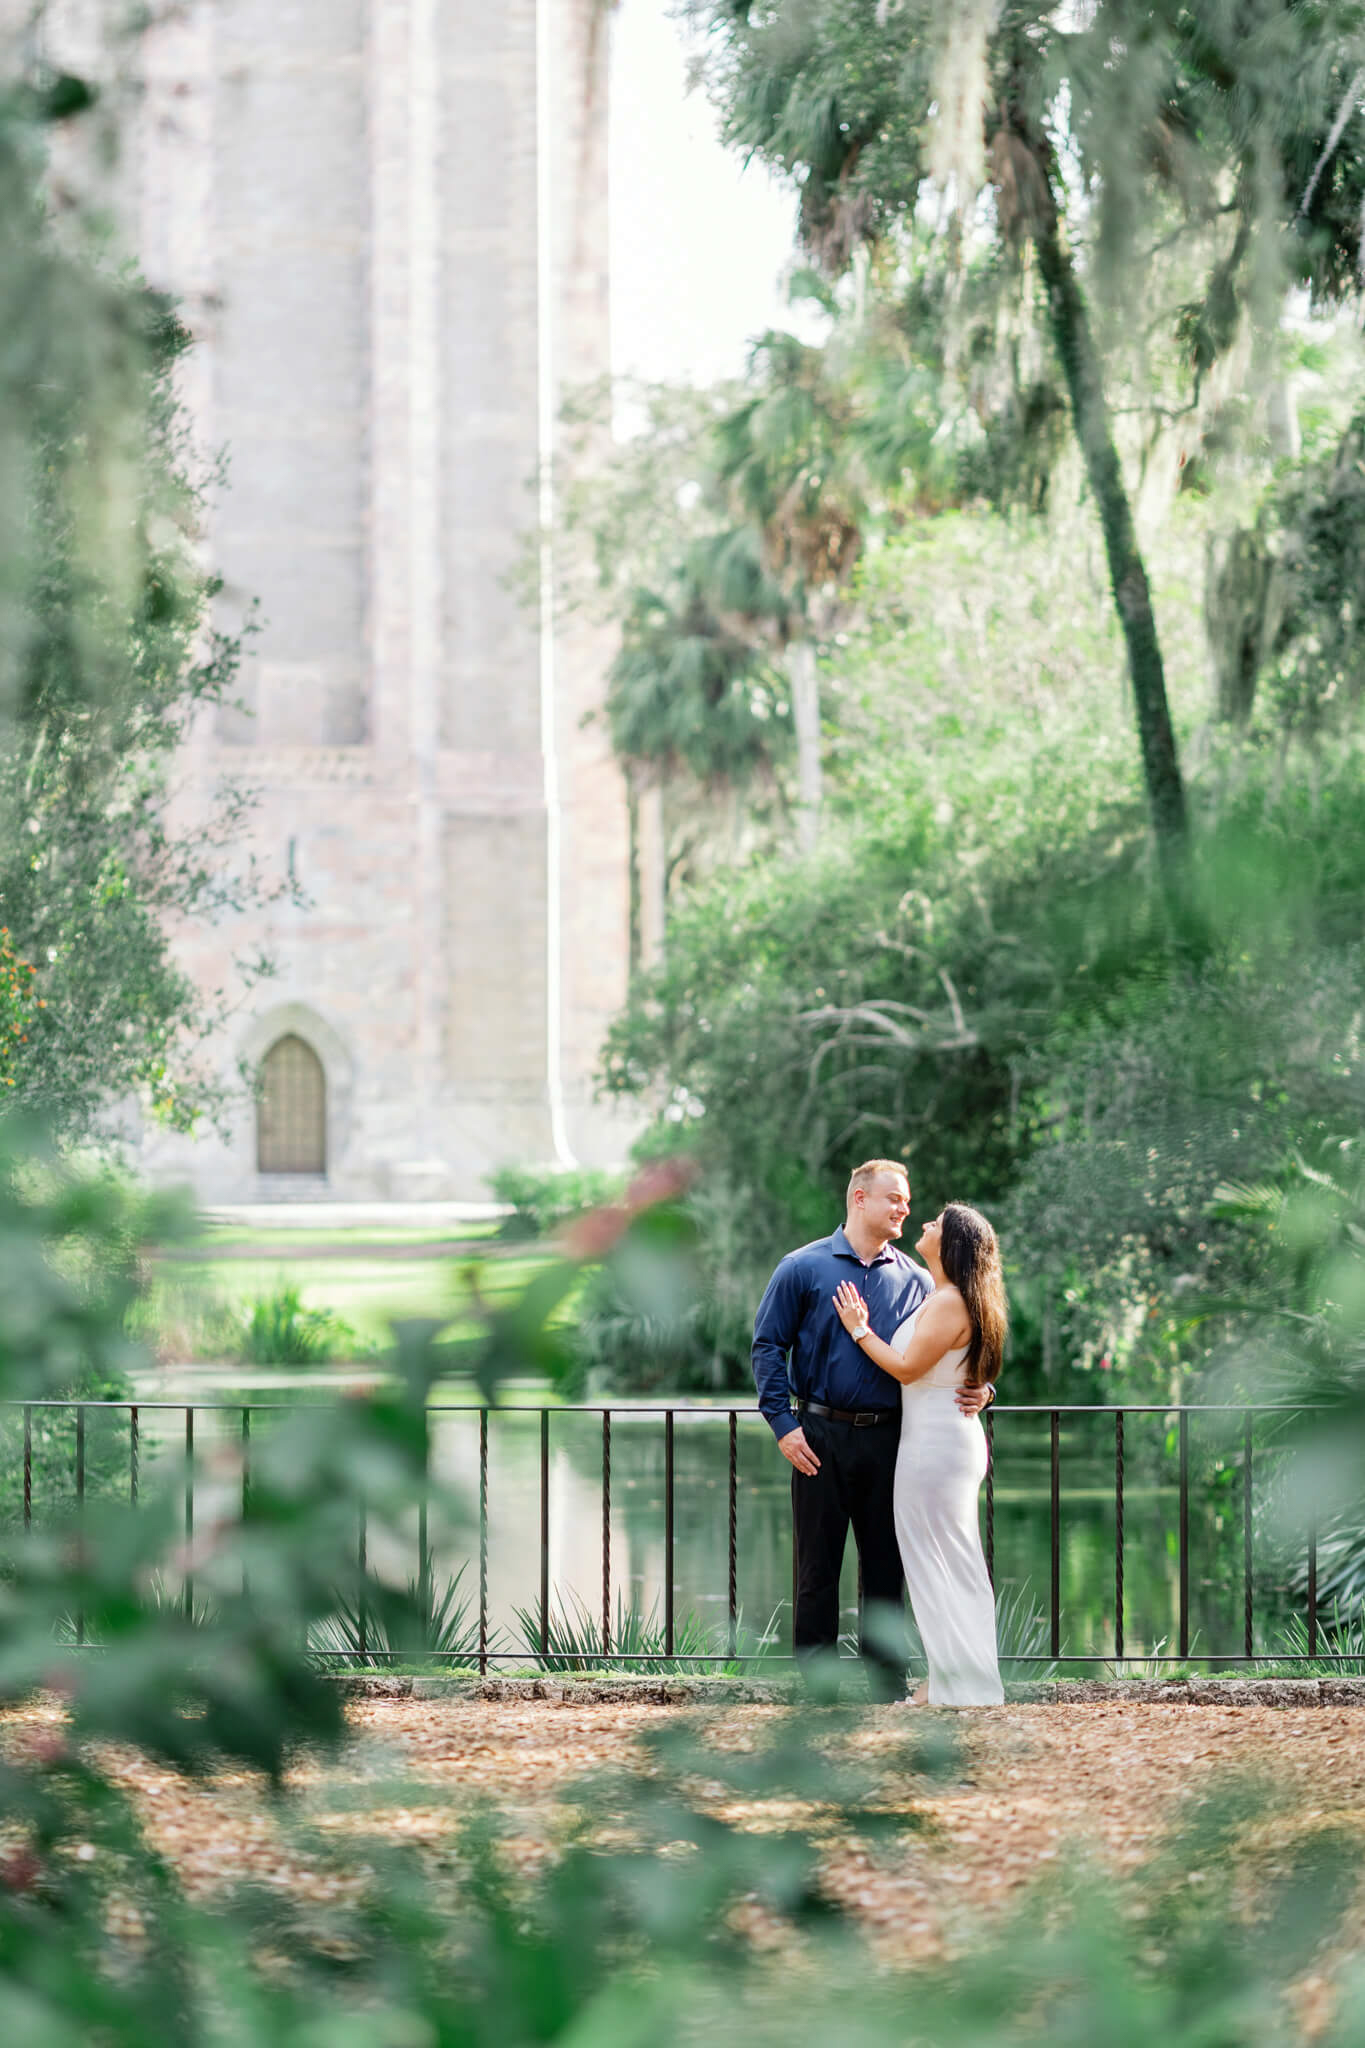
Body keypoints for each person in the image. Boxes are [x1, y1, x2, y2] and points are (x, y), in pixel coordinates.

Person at [751, 1160, 993, 1690]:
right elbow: (768, 1346)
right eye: (895, 1198)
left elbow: (953, 1347)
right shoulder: (801, 1267)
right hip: (817, 1436)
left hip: (892, 1440)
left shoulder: (917, 1278)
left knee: (887, 1568)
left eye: (907, 1201)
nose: (905, 1208)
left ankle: (887, 1687)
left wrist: (983, 1387)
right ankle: (817, 1692)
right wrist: (782, 1423)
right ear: (860, 1199)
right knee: (816, 1570)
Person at [831, 1201, 1006, 1707]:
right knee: (941, 1561)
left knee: (943, 1561)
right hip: (936, 1440)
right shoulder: (946, 1294)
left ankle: (961, 1683)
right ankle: (949, 1680)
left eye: (936, 1224)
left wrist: (859, 1327)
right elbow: (957, 1367)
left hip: (936, 1447)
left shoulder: (951, 1301)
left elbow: (908, 1369)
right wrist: (985, 1388)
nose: (925, 1226)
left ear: (950, 1244)